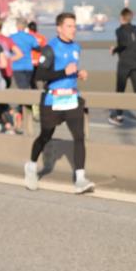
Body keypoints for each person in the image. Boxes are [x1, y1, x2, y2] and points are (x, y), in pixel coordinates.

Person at [25, 12, 94, 194]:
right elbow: (39, 75)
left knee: (79, 136)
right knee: (45, 135)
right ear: (59, 28)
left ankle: (80, 179)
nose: (74, 30)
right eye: (69, 26)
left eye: (74, 26)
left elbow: (70, 70)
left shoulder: (77, 47)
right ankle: (31, 166)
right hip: (52, 100)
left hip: (71, 98)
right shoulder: (50, 48)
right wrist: (64, 72)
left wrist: (78, 73)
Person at [108, 7, 136, 125]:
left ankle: (118, 116)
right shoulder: (135, 29)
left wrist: (114, 49)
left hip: (124, 64)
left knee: (120, 89)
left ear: (122, 17)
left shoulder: (119, 30)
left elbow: (123, 44)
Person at [0, 17, 23, 132]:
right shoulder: (7, 40)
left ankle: (7, 118)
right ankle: (10, 117)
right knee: (0, 98)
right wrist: (9, 59)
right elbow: (19, 54)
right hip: (7, 73)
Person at [10, 19, 41, 131]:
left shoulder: (12, 37)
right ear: (25, 27)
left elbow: (8, 48)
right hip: (29, 67)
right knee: (26, 89)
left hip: (17, 67)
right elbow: (37, 47)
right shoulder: (30, 37)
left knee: (22, 90)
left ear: (17, 26)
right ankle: (29, 110)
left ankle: (21, 113)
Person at [27, 21, 47, 123]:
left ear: (29, 28)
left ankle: (34, 109)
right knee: (41, 87)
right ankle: (43, 107)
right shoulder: (42, 37)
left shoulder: (27, 37)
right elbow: (45, 50)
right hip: (40, 65)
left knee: (31, 87)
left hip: (29, 65)